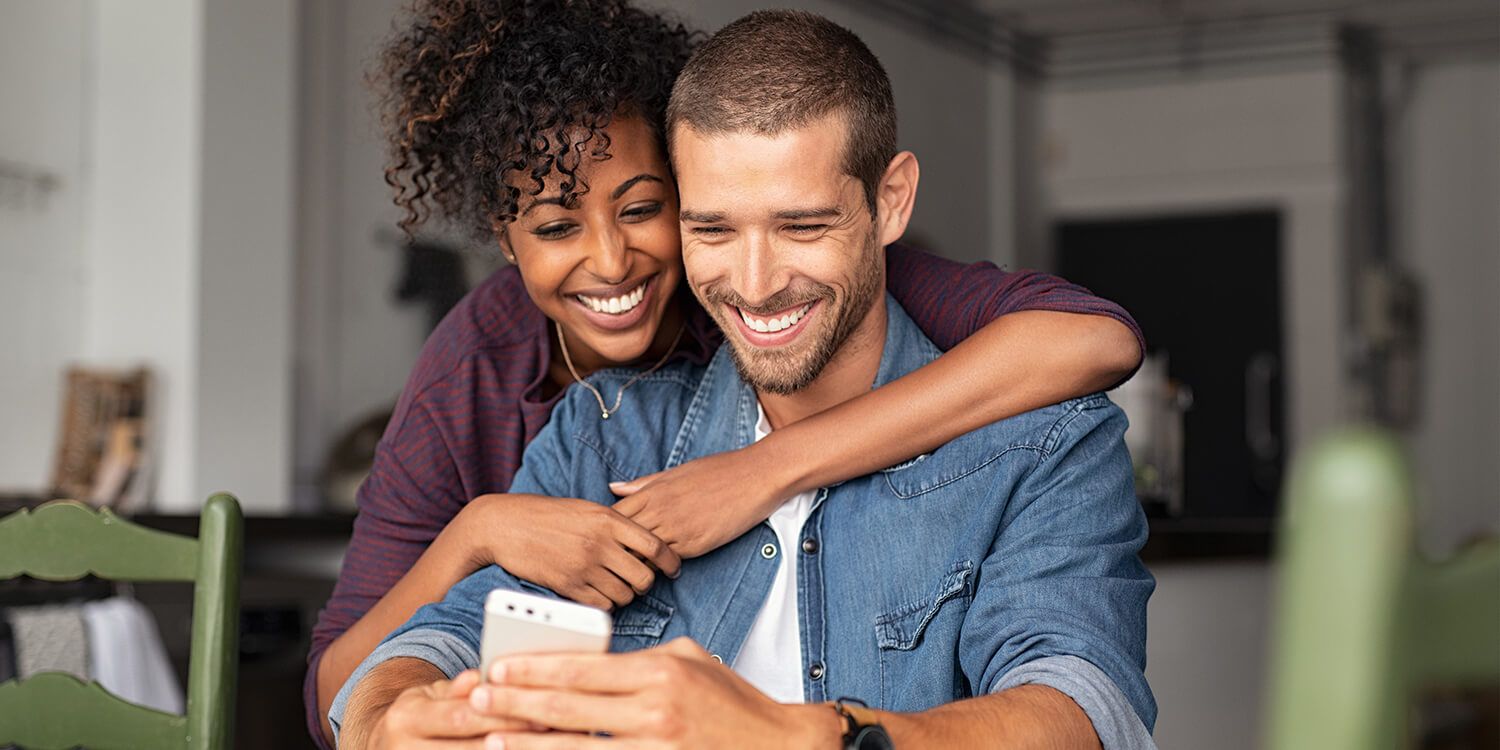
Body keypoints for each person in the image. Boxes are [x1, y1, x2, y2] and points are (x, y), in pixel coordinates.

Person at [329, 9, 1157, 749]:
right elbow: (425, 648)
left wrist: (799, 736)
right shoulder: (600, 431)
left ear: (892, 202)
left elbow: (1081, 712)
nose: (756, 283)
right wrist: (389, 719)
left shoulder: (1045, 442)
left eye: (802, 225)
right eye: (712, 228)